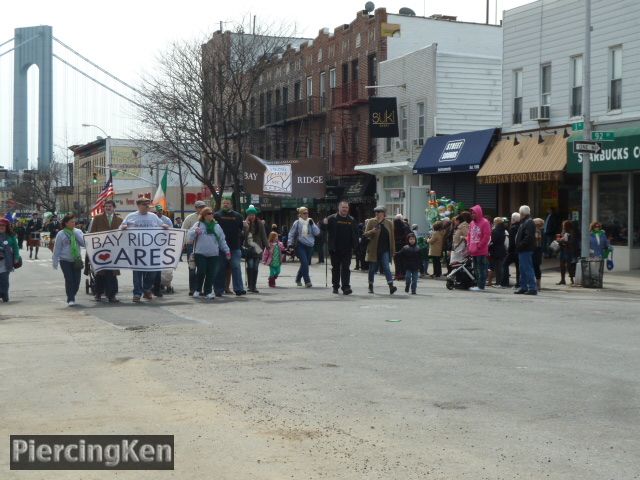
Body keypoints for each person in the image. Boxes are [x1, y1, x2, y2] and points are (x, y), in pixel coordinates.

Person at [119, 198, 169, 303]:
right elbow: (121, 228)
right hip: (136, 250)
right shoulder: (131, 216)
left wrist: (164, 226)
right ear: (138, 205)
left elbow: (161, 225)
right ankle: (137, 293)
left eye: (148, 204)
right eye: (144, 204)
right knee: (137, 273)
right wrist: (123, 227)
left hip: (151, 250)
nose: (147, 206)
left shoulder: (153, 216)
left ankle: (146, 289)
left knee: (153, 271)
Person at [187, 207, 230, 299]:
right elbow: (189, 237)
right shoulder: (198, 224)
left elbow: (222, 240)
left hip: (213, 254)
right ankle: (198, 290)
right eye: (209, 213)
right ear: (204, 215)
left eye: (212, 213)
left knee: (211, 273)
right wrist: (195, 232)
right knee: (201, 271)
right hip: (200, 253)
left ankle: (208, 292)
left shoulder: (216, 226)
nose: (211, 215)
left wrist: (227, 251)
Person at [87, 199, 123, 302]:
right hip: (100, 251)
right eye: (106, 206)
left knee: (112, 273)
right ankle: (98, 293)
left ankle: (112, 295)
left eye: (110, 206)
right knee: (100, 273)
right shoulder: (97, 218)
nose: (108, 208)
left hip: (114, 251)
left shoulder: (120, 220)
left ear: (114, 208)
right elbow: (92, 233)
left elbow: (123, 236)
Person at [52, 214, 86, 306]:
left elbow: (84, 244)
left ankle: (72, 294)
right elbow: (57, 248)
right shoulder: (61, 234)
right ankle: (70, 298)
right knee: (69, 279)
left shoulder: (78, 232)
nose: (73, 223)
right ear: (66, 223)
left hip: (76, 260)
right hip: (65, 260)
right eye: (71, 222)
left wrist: (76, 236)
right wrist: (55, 261)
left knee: (77, 281)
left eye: (74, 221)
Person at [214, 197, 245, 296]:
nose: (225, 205)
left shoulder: (238, 216)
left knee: (236, 267)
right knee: (220, 268)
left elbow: (242, 230)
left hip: (235, 247)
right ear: (221, 205)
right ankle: (218, 290)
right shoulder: (216, 216)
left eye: (227, 203)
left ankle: (239, 289)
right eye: (224, 203)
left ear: (231, 205)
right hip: (220, 248)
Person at [326, 200, 358, 295]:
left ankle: (346, 287)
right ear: (339, 208)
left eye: (346, 207)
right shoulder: (332, 218)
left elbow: (355, 234)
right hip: (335, 249)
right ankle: (335, 286)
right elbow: (322, 228)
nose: (345, 209)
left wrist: (356, 246)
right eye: (343, 207)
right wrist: (323, 223)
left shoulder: (351, 220)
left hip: (347, 249)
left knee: (346, 268)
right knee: (335, 268)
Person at [364, 206, 397, 295]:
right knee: (372, 269)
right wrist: (372, 231)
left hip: (385, 250)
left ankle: (391, 286)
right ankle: (370, 285)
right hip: (374, 249)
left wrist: (393, 250)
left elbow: (392, 238)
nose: (377, 214)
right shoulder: (371, 221)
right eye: (376, 212)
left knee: (386, 267)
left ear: (383, 213)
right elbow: (365, 234)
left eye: (379, 212)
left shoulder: (389, 223)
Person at [288, 206, 320, 287]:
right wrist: (290, 244)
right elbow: (291, 234)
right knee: (305, 263)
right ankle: (307, 281)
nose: (306, 214)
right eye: (304, 213)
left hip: (310, 246)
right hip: (300, 245)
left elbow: (317, 233)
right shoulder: (297, 223)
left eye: (307, 213)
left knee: (304, 264)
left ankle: (298, 278)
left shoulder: (310, 221)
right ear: (300, 214)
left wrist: (313, 225)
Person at [182, 200, 207, 294]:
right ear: (196, 208)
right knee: (192, 268)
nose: (201, 209)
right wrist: (184, 243)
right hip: (191, 245)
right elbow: (184, 230)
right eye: (199, 207)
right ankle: (192, 289)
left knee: (202, 268)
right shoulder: (190, 218)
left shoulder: (208, 217)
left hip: (203, 245)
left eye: (203, 207)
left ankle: (199, 288)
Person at [466, 205, 491, 291]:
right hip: (473, 250)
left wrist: (479, 246)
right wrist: (469, 245)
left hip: (481, 251)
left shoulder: (485, 222)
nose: (472, 214)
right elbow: (469, 235)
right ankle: (477, 284)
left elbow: (486, 236)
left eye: (474, 213)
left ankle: (481, 286)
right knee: (476, 269)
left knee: (482, 269)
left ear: (478, 213)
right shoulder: (472, 223)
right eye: (471, 213)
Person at [243, 205, 267, 293]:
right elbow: (243, 236)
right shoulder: (245, 223)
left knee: (255, 267)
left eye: (253, 214)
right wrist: (245, 227)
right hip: (248, 247)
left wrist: (267, 246)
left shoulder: (260, 223)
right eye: (250, 214)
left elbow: (263, 235)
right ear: (248, 215)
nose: (252, 216)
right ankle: (250, 286)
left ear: (255, 215)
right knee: (250, 266)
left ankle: (254, 286)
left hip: (257, 248)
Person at [151, 205, 174, 297]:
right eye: (158, 211)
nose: (160, 212)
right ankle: (154, 284)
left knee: (166, 267)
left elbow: (172, 231)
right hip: (153, 245)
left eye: (161, 211)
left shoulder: (167, 220)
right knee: (154, 266)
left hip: (164, 245)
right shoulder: (152, 219)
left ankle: (165, 283)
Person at [514, 205, 537, 295]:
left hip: (525, 249)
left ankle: (532, 287)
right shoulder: (526, 222)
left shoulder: (528, 222)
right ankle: (523, 287)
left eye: (520, 213)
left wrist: (520, 245)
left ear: (522, 213)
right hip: (523, 249)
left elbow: (529, 237)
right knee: (523, 269)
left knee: (527, 268)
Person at [0, 219, 21, 302]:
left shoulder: (11, 236)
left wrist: (16, 257)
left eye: (3, 226)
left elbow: (16, 247)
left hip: (6, 261)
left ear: (6, 227)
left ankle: (4, 294)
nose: (1, 227)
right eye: (0, 226)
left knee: (4, 279)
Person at [501, 212, 521, 288]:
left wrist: (509, 250)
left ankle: (504, 283)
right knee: (518, 267)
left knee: (505, 264)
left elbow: (512, 241)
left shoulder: (513, 228)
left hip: (513, 250)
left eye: (512, 219)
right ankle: (518, 283)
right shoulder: (521, 226)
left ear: (513, 219)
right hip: (519, 250)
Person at [487, 217, 507, 287]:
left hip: (494, 250)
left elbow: (492, 241)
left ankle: (490, 282)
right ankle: (499, 282)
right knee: (499, 267)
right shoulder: (503, 230)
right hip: (501, 250)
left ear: (496, 222)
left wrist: (488, 247)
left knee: (491, 266)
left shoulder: (495, 231)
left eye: (494, 222)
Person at [557, 220, 578, 285]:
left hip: (568, 250)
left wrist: (563, 241)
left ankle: (572, 279)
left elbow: (572, 242)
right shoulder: (563, 232)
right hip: (562, 250)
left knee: (569, 265)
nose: (563, 226)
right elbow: (561, 240)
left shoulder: (571, 232)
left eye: (564, 225)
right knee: (562, 265)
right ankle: (562, 279)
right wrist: (559, 240)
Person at [393, 214, 409, 280]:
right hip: (403, 246)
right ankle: (403, 274)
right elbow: (408, 235)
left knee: (396, 261)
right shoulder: (405, 226)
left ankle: (397, 274)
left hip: (396, 246)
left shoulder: (393, 227)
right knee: (403, 261)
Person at [533, 218, 544, 290]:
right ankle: (538, 284)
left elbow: (536, 241)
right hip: (538, 251)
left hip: (536, 251)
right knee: (537, 268)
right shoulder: (540, 231)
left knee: (535, 267)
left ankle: (537, 285)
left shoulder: (537, 231)